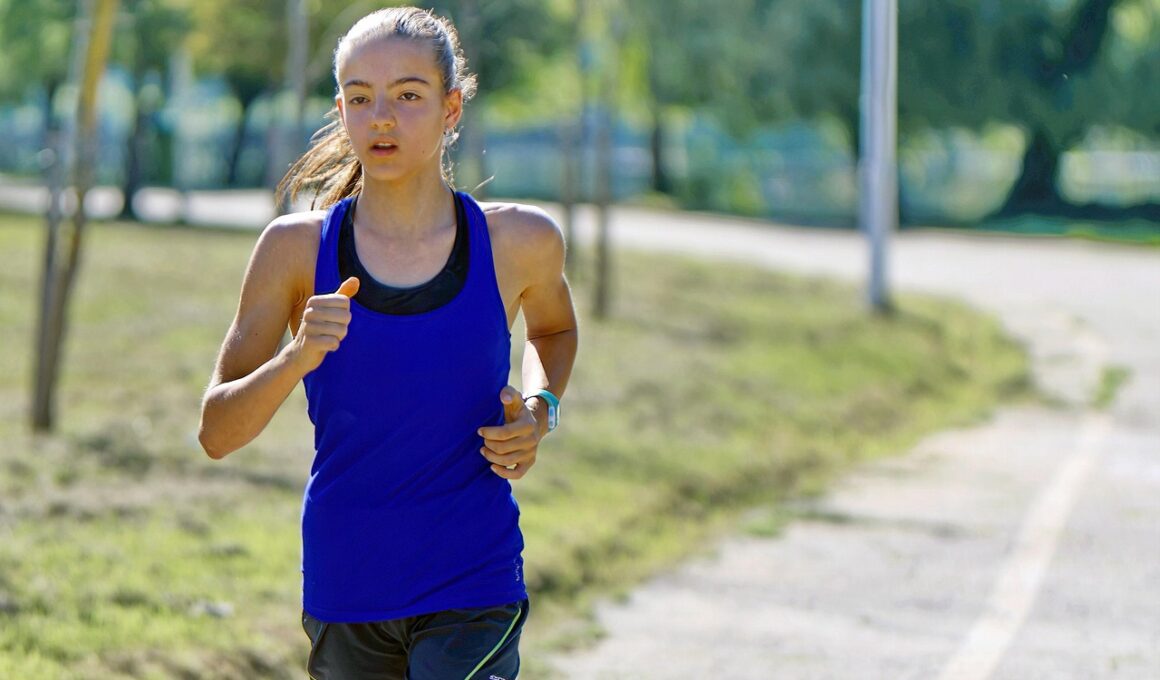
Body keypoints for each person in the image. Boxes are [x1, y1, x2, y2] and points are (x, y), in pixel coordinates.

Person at [197, 7, 578, 679]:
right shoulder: (294, 249)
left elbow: (554, 329)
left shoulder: (519, 241)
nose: (381, 118)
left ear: (451, 108)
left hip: (474, 580)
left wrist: (540, 407)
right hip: (348, 585)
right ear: (339, 110)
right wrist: (296, 358)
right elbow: (217, 434)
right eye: (360, 98)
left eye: (407, 96)